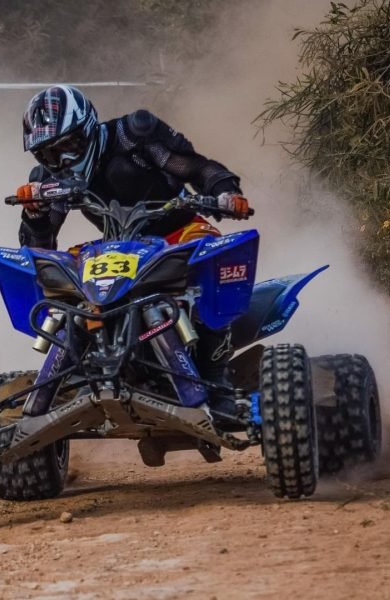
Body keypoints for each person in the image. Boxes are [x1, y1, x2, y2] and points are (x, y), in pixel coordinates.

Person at [16, 85, 251, 415]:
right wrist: (35, 214)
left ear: (88, 128)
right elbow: (38, 250)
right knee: (63, 273)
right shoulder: (46, 180)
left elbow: (196, 168)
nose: (63, 161)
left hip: (179, 233)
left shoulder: (132, 135)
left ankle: (216, 379)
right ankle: (77, 373)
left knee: (212, 256)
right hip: (118, 247)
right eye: (49, 155)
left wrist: (226, 192)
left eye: (68, 146)